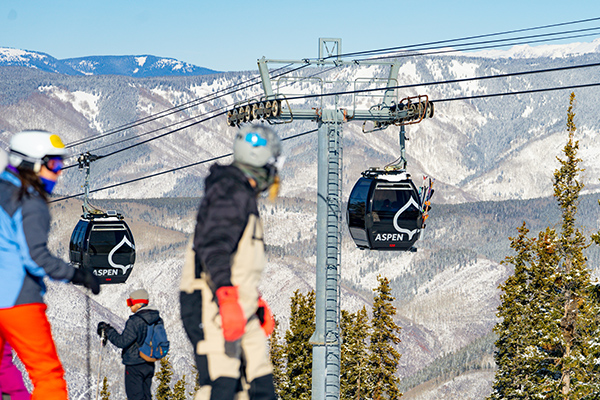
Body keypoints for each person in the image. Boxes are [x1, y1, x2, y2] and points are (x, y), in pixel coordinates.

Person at [180, 124, 280, 400]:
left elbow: (237, 258)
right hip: (212, 304)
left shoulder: (238, 193)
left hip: (236, 303)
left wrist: (253, 300)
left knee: (259, 387)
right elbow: (213, 247)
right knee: (222, 387)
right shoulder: (230, 191)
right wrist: (227, 297)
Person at [0, 130, 100, 400]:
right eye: (53, 165)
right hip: (17, 300)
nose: (59, 173)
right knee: (48, 376)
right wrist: (77, 275)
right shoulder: (29, 202)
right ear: (31, 164)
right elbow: (35, 258)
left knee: (3, 371)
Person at [97, 289, 163, 400]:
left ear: (139, 303)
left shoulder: (135, 321)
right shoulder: (156, 319)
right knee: (146, 396)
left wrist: (108, 331)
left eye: (130, 302)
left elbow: (122, 341)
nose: (129, 306)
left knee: (135, 396)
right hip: (149, 364)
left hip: (135, 365)